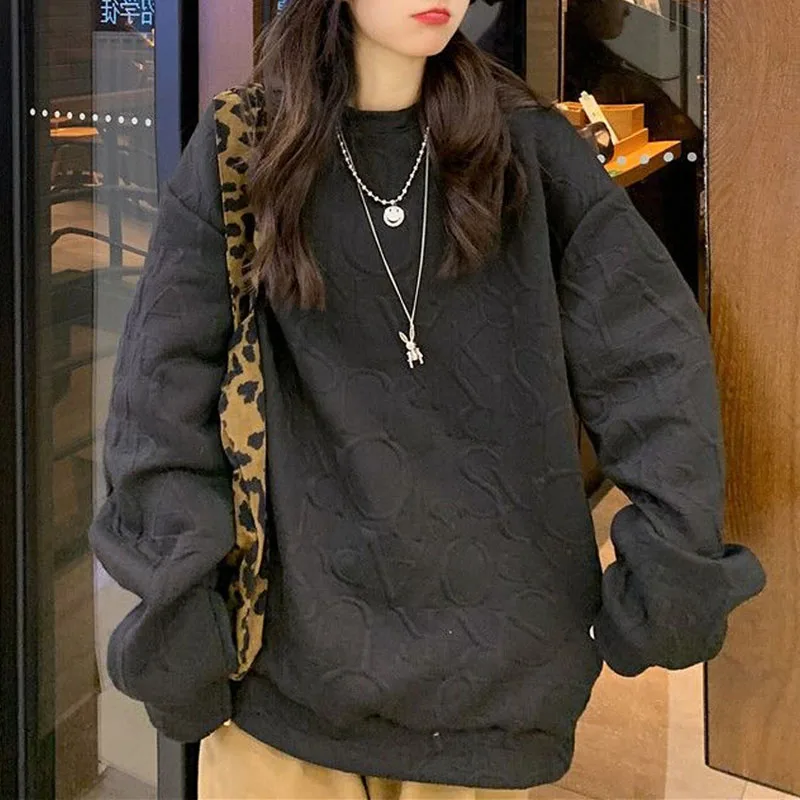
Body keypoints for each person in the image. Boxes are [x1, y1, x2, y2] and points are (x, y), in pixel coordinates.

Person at [89, 1, 766, 798]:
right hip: (282, 694)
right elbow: (159, 402)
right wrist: (182, 613)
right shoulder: (246, 147)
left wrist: (672, 571)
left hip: (492, 699)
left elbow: (653, 359)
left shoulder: (528, 147)